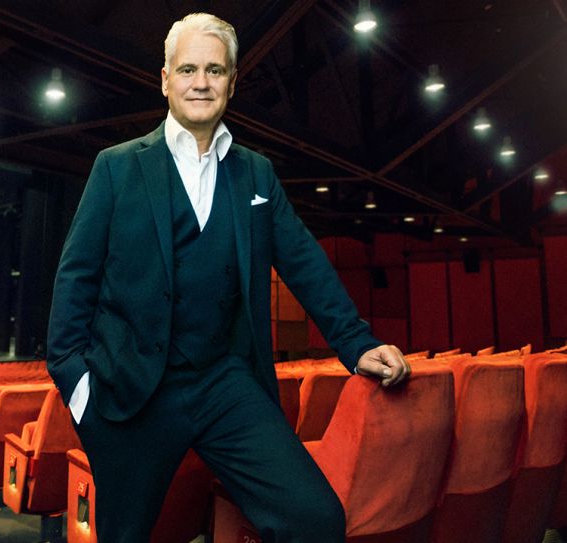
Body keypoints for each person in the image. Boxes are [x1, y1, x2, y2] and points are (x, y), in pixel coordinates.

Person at [46, 12, 410, 543]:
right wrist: (80, 391)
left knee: (316, 519)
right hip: (136, 392)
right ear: (165, 79)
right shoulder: (117, 167)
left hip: (226, 382)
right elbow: (74, 280)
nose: (201, 82)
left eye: (214, 71)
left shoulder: (255, 173)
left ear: (233, 83)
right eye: (188, 69)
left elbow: (305, 263)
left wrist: (356, 344)